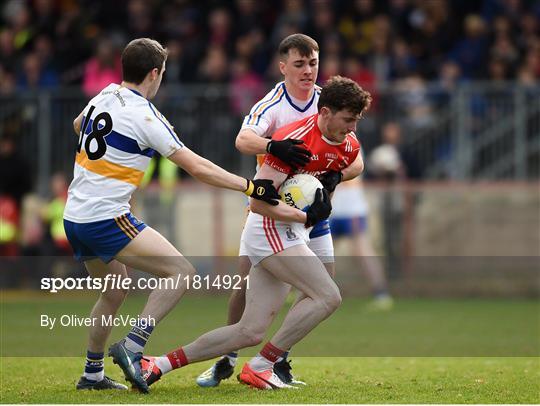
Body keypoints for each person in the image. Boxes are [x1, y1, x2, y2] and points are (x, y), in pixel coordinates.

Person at [63, 38, 280, 393]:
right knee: (180, 272)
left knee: (114, 291)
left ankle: (92, 374)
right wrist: (249, 186)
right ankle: (132, 347)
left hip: (75, 217)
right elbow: (197, 167)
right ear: (154, 73)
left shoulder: (103, 95)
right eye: (163, 71)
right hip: (104, 218)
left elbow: (78, 125)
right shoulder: (146, 115)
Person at [138, 75, 372, 390]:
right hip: (268, 229)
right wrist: (303, 214)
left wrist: (333, 181)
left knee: (249, 331)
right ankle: (263, 365)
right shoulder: (296, 140)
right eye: (348, 120)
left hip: (290, 232)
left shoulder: (348, 144)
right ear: (326, 112)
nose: (352, 128)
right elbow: (258, 203)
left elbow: (348, 166)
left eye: (357, 121)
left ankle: (157, 364)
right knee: (328, 296)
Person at [195, 33, 365, 387]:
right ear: (283, 66)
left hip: (312, 213)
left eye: (313, 63)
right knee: (244, 288)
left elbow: (356, 160)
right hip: (271, 209)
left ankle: (278, 360)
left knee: (320, 286)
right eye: (300, 64)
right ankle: (225, 360)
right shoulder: (272, 104)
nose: (308, 71)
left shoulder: (329, 103)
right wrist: (276, 145)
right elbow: (242, 140)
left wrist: (333, 175)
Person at [330, 177, 393, 310]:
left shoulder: (352, 156)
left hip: (351, 211)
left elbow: (347, 177)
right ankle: (306, 291)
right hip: (332, 211)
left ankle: (381, 293)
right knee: (321, 251)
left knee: (362, 251)